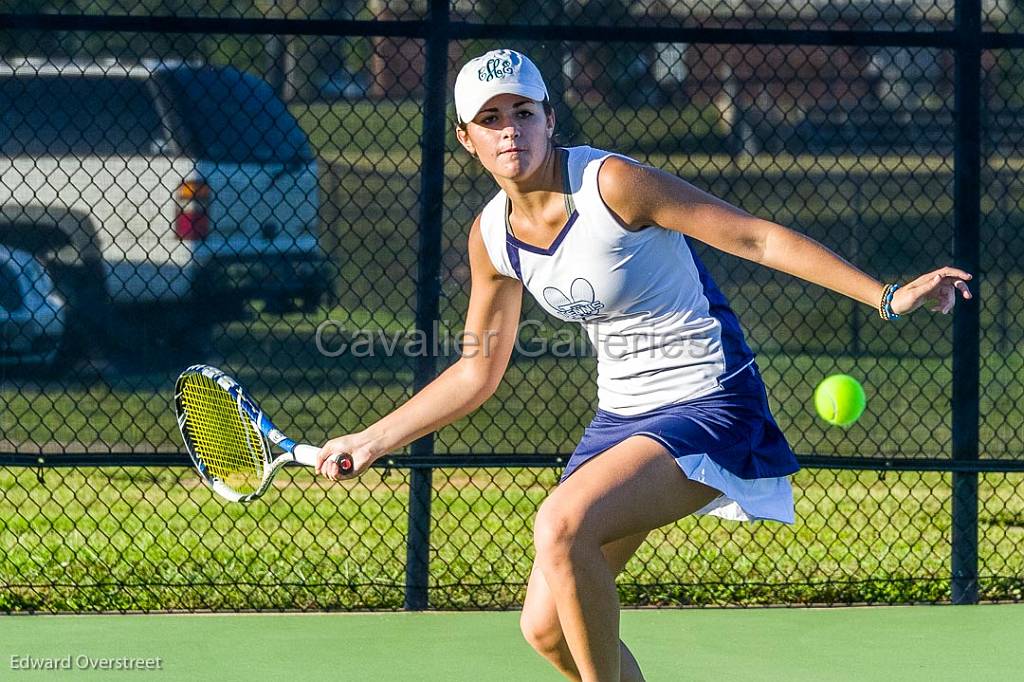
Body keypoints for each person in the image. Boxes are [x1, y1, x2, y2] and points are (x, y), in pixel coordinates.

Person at [316, 49, 973, 682]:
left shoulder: (613, 185)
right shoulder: (492, 237)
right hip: (622, 419)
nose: (510, 130)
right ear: (467, 138)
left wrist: (885, 295)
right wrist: (372, 439)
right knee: (546, 629)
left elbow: (754, 235)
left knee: (561, 523)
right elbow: (475, 372)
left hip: (710, 403)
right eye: (491, 119)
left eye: (523, 112)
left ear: (550, 118)